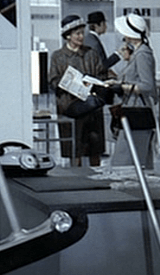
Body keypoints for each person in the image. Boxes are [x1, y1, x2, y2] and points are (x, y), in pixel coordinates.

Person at [48, 14, 112, 167]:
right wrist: (69, 84)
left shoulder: (91, 54)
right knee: (74, 149)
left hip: (92, 109)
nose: (81, 36)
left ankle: (96, 181)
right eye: (77, 33)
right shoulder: (58, 56)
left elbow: (101, 74)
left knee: (94, 150)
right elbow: (52, 81)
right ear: (68, 35)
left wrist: (95, 82)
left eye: (82, 33)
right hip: (70, 109)